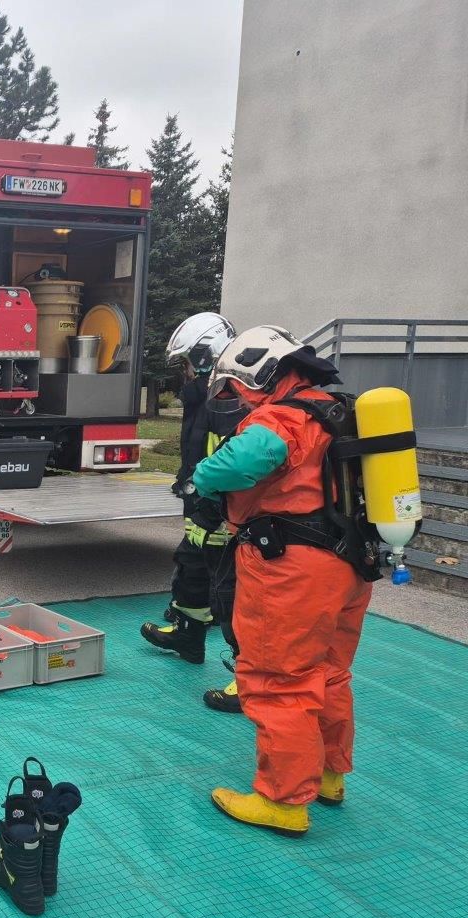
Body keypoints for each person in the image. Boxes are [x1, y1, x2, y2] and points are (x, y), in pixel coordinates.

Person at [191, 325, 370, 837]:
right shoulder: (337, 410)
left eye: (236, 388)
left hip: (292, 570)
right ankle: (330, 777)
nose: (239, 400)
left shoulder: (283, 416)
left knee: (279, 681)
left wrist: (202, 477)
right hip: (349, 562)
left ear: (259, 372)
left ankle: (284, 801)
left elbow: (244, 460)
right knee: (329, 673)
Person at [139, 312, 245, 712]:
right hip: (201, 507)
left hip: (221, 514)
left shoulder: (229, 400)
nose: (183, 371)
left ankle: (252, 681)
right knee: (191, 569)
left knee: (230, 595)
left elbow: (230, 462)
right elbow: (198, 449)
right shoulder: (203, 397)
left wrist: (211, 509)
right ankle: (188, 636)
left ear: (205, 356)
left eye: (186, 361)